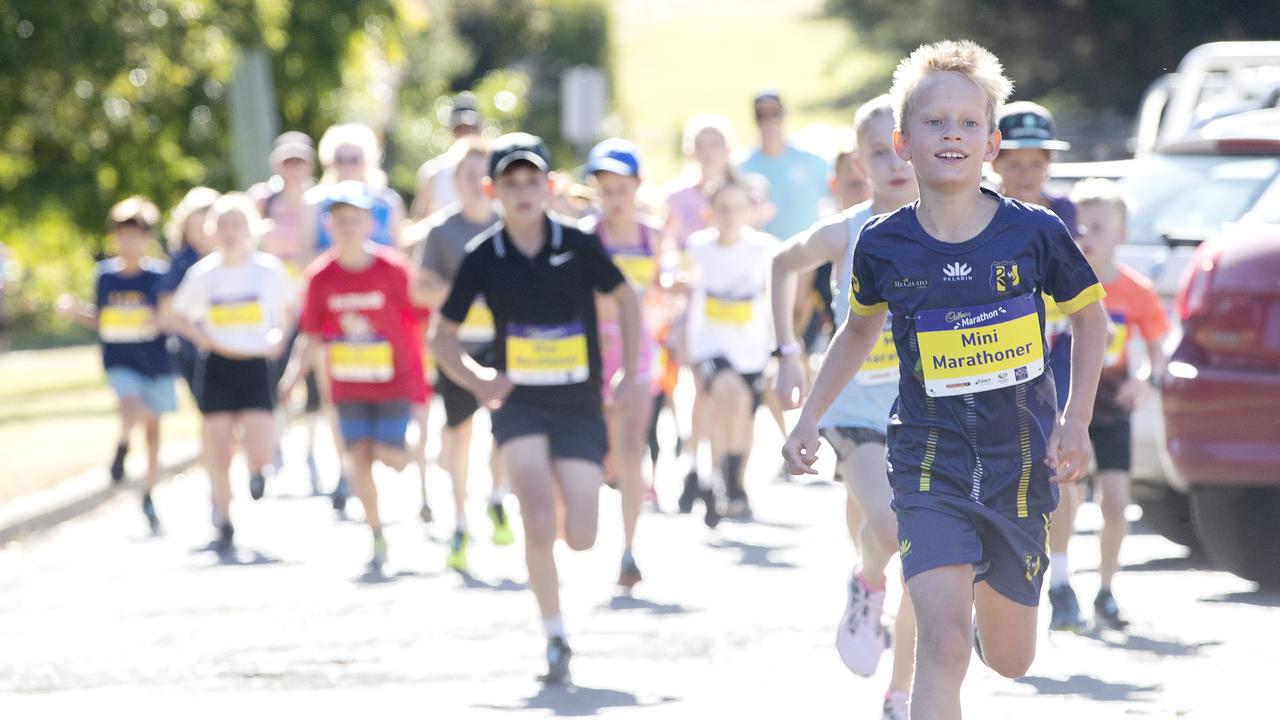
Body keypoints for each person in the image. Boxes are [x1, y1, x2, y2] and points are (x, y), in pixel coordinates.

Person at [781, 40, 1109, 720]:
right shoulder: (881, 242)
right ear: (903, 142)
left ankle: (987, 570)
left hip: (1019, 460)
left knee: (1012, 659)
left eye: (966, 123)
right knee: (944, 640)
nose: (951, 133)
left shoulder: (1034, 234)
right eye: (935, 122)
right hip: (929, 461)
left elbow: (1092, 318)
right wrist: (810, 414)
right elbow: (857, 332)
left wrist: (1076, 418)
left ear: (990, 142)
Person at [430, 133, 643, 684]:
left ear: (549, 187)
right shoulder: (484, 256)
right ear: (492, 191)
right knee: (539, 521)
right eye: (510, 183)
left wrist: (628, 368)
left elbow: (626, 296)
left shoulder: (578, 244)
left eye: (532, 182)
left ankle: (557, 486)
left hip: (577, 403)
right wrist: (479, 382)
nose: (523, 192)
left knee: (582, 535)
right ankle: (555, 637)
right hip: (518, 403)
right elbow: (443, 338)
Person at [770, 94, 919, 720]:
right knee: (887, 531)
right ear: (858, 162)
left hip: (927, 413)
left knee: (927, 561)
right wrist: (786, 352)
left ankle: (902, 693)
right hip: (855, 411)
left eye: (900, 148)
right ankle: (866, 582)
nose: (892, 162)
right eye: (877, 152)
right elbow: (780, 263)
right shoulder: (846, 231)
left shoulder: (951, 226)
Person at [278, 181, 432, 573]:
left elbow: (422, 318)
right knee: (357, 458)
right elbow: (310, 334)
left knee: (391, 458)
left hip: (394, 381)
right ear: (329, 225)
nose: (348, 227)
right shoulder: (320, 276)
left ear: (368, 224)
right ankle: (377, 532)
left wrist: (427, 366)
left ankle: (415, 455)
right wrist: (294, 375)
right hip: (348, 386)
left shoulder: (393, 268)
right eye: (341, 220)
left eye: (356, 219)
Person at [987, 101, 1088, 631]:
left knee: (1060, 466)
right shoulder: (979, 212)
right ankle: (997, 582)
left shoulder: (1062, 213)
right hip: (997, 364)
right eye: (1016, 164)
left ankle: (1064, 580)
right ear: (995, 161)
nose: (1026, 176)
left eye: (1037, 164)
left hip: (1057, 358)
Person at [1056, 178, 1168, 630]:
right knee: (1066, 496)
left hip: (1111, 405)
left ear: (1121, 233)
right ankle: (1060, 584)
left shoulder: (1136, 291)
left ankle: (1106, 589)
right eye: (1079, 226)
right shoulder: (1058, 284)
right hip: (1066, 405)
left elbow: (1160, 348)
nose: (1086, 235)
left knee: (1116, 503)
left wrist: (1145, 380)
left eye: (1098, 226)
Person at [169, 193, 296, 554]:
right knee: (217, 449)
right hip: (217, 366)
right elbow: (179, 314)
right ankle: (223, 520)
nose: (229, 233)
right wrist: (201, 336)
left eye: (236, 226)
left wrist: (279, 340)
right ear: (213, 231)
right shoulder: (203, 273)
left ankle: (257, 472)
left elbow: (289, 311)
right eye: (222, 226)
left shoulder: (268, 270)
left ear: (250, 230)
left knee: (260, 451)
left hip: (255, 365)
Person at [409, 135, 513, 573]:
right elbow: (418, 287)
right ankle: (459, 519)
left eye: (484, 175)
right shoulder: (440, 230)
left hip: (503, 346)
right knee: (459, 434)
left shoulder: (512, 225)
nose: (477, 183)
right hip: (455, 349)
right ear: (455, 181)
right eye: (468, 176)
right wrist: (463, 294)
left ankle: (496, 496)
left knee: (506, 429)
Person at [58, 196, 176, 534]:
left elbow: (169, 317)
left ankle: (149, 494)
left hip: (154, 362)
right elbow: (101, 318)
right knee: (129, 405)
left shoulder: (159, 276)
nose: (129, 241)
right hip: (120, 360)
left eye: (136, 234)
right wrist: (74, 312)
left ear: (147, 237)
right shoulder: (105, 276)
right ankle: (123, 446)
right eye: (122, 234)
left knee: (153, 436)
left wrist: (160, 320)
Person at [585, 137, 665, 588]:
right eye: (606, 189)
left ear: (637, 185)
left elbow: (656, 290)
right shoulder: (586, 237)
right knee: (607, 456)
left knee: (632, 450)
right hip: (591, 355)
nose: (614, 198)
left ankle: (629, 551)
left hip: (638, 355)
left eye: (621, 188)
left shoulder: (650, 235)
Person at [682, 175, 776, 521]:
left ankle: (733, 478)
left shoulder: (765, 249)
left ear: (751, 211)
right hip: (709, 348)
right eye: (722, 208)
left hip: (752, 348)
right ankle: (727, 480)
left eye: (738, 208)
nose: (730, 215)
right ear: (710, 211)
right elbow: (680, 285)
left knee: (744, 417)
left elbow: (777, 297)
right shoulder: (697, 247)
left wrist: (783, 348)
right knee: (731, 399)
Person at [251, 131, 328, 494]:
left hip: (313, 301)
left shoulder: (322, 200)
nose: (294, 168)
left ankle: (311, 450)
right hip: (276, 305)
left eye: (300, 161)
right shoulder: (263, 201)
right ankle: (276, 446)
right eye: (287, 161)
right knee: (276, 376)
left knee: (314, 380)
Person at [156, 187, 221, 394]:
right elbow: (168, 310)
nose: (202, 235)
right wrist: (197, 336)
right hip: (191, 349)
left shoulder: (232, 260)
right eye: (195, 228)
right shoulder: (181, 261)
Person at [411, 93, 483, 221]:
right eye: (460, 129)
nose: (465, 134)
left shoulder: (492, 166)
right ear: (451, 131)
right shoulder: (433, 170)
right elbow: (421, 218)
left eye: (470, 128)